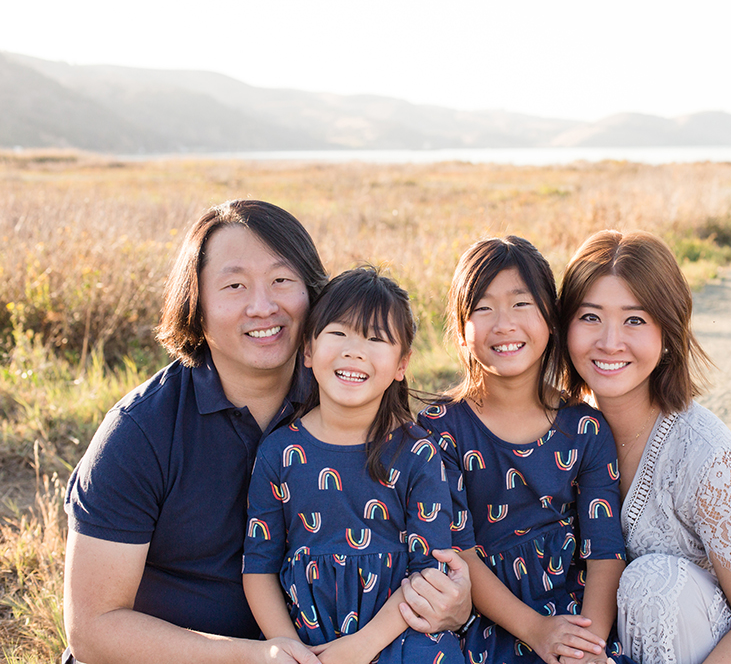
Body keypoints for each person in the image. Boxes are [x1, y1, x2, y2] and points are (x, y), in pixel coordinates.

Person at [63, 200, 471, 664]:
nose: (262, 307)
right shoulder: (140, 431)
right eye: (234, 285)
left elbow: (433, 556)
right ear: (196, 303)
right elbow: (91, 631)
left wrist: (454, 605)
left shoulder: (348, 395)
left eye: (281, 281)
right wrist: (257, 656)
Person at [559, 230, 731, 664]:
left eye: (635, 320)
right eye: (590, 317)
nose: (609, 341)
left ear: (668, 331)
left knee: (652, 583)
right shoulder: (562, 429)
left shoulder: (703, 454)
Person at [418, 236, 630, 664]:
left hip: (576, 620)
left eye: (521, 304)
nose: (504, 324)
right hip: (486, 623)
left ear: (551, 320)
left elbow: (605, 551)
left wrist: (585, 647)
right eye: (483, 307)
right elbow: (458, 550)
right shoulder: (440, 431)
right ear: (461, 333)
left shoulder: (585, 428)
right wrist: (536, 630)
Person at [243, 266, 464, 664]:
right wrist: (288, 647)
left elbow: (429, 571)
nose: (354, 350)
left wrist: (362, 646)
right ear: (308, 350)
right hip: (305, 635)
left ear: (401, 364)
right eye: (338, 333)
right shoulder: (279, 452)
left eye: (375, 338)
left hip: (398, 629)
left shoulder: (417, 453)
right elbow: (259, 567)